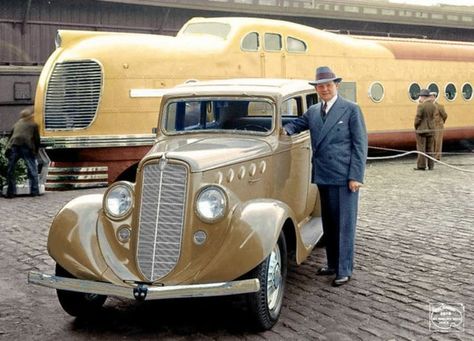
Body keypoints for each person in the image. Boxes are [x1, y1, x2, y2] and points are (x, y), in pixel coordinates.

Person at [283, 66, 368, 287]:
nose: (324, 89)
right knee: (329, 224)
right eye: (320, 86)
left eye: (328, 85)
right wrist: (282, 130)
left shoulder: (350, 109)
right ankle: (332, 264)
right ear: (316, 89)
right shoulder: (313, 111)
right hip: (323, 176)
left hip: (344, 177)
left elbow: (360, 146)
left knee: (345, 225)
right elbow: (296, 125)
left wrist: (355, 176)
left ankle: (344, 269)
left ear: (336, 86)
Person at [5, 106, 40, 198]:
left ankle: (11, 192)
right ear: (30, 116)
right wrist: (36, 151)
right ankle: (34, 191)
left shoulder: (16, 124)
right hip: (26, 146)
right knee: (32, 168)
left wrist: (8, 148)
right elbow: (37, 139)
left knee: (11, 169)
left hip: (14, 146)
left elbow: (10, 137)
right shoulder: (33, 125)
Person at [414, 89, 436, 170]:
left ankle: (421, 166)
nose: (419, 98)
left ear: (423, 97)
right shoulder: (433, 105)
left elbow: (418, 118)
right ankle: (431, 165)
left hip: (422, 130)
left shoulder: (421, 106)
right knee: (430, 148)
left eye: (420, 96)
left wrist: (416, 126)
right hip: (431, 129)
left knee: (421, 148)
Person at [430, 92, 448, 160]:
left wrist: (441, 123)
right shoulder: (429, 106)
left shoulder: (439, 106)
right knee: (431, 141)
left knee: (438, 142)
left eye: (432, 97)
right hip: (431, 126)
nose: (431, 98)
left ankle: (437, 157)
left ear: (435, 97)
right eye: (430, 97)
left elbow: (445, 115)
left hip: (438, 126)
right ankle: (432, 156)